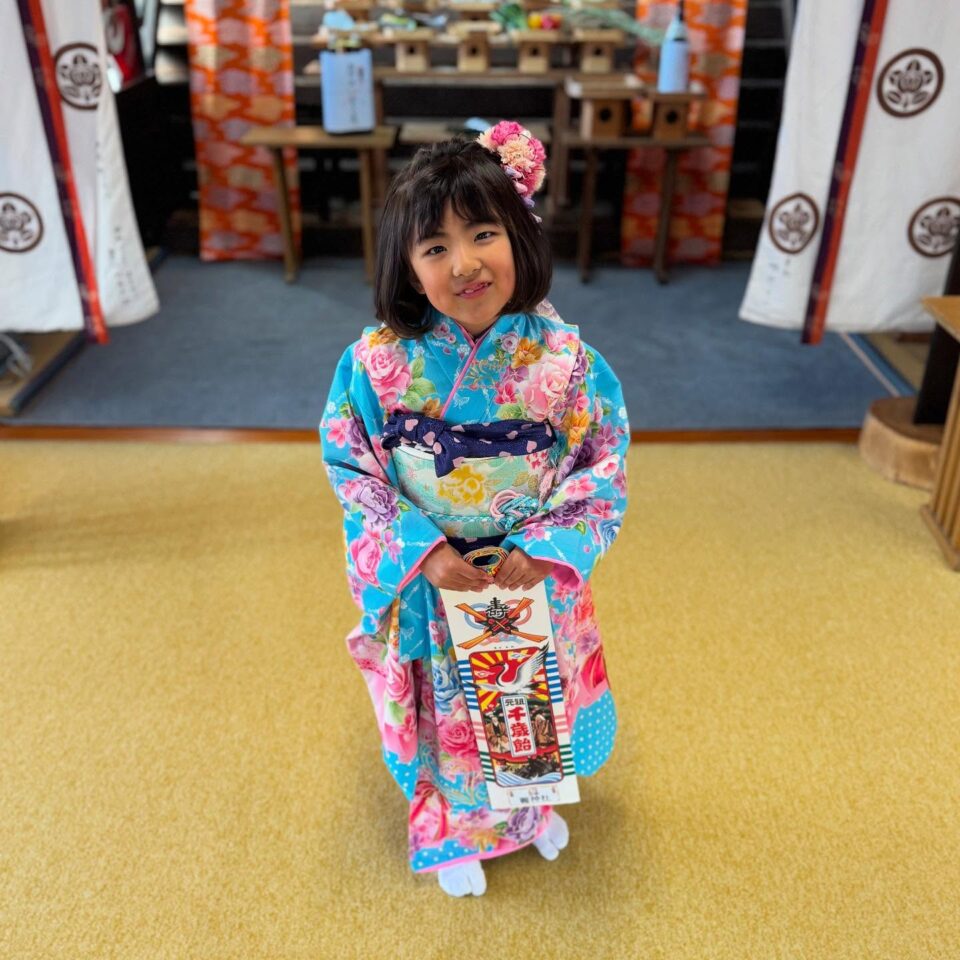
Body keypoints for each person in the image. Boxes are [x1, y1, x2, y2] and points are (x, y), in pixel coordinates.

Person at [320, 122, 629, 898]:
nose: (464, 262)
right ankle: (451, 834)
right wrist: (423, 551)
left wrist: (548, 547)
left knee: (524, 702)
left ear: (520, 236)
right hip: (433, 569)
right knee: (443, 714)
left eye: (484, 233)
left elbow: (602, 464)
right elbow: (351, 463)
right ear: (406, 266)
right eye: (435, 247)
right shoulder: (376, 363)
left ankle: (522, 819)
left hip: (523, 567)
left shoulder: (566, 362)